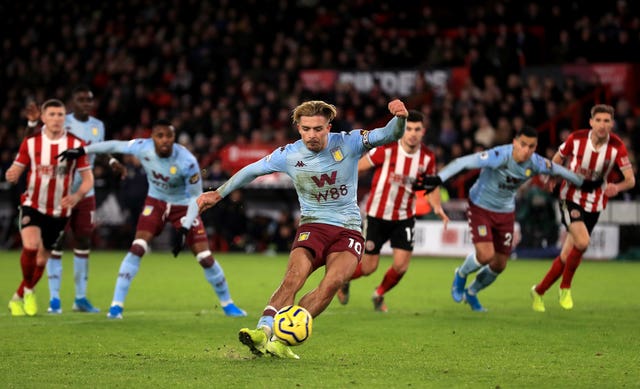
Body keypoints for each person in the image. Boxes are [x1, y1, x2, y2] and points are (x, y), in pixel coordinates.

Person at [196, 99, 409, 359]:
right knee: (293, 278)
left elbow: (389, 134)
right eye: (306, 129)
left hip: (348, 229)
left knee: (332, 283)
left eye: (318, 129)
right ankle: (263, 331)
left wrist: (400, 118)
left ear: (328, 127)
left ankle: (282, 342)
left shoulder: (350, 142)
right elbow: (251, 171)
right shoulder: (289, 154)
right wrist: (217, 194)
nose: (312, 135)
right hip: (313, 226)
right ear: (298, 127)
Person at [57, 119, 246, 319]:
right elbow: (113, 145)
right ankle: (116, 306)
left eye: (169, 136)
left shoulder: (187, 161)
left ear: (174, 138)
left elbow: (196, 199)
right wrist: (83, 151)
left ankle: (228, 304)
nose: (164, 140)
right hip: (155, 202)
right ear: (152, 137)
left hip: (183, 205)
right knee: (137, 247)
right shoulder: (142, 147)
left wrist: (184, 228)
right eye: (160, 136)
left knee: (204, 258)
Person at [420, 126, 602, 312]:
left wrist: (585, 183)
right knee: (485, 255)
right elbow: (463, 162)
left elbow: (559, 170)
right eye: (523, 144)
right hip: (480, 207)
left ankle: (472, 292)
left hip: (505, 212)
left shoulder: (536, 163)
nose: (526, 150)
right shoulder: (499, 155)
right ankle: (461, 273)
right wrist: (438, 178)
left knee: (499, 265)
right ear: (515, 142)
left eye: (531, 147)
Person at [335, 110, 449, 312]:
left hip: (404, 217)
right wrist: (339, 180)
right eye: (409, 129)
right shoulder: (387, 149)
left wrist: (437, 206)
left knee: (401, 266)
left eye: (417, 129)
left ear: (423, 132)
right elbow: (360, 166)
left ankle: (378, 294)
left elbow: (431, 186)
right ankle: (343, 279)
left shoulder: (427, 158)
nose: (413, 133)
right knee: (369, 267)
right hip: (377, 216)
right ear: (403, 130)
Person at [26, 85, 125, 314]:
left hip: (86, 193)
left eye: (89, 100)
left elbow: (98, 151)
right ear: (73, 102)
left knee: (83, 241)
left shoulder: (97, 126)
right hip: (59, 192)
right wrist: (32, 125)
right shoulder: (61, 122)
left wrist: (111, 162)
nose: (86, 104)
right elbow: (35, 142)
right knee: (56, 242)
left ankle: (80, 298)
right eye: (81, 100)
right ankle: (54, 299)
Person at [530, 104, 635, 312]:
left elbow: (630, 180)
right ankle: (565, 288)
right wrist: (552, 177)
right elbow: (557, 159)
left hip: (595, 201)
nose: (602, 125)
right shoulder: (576, 139)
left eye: (607, 121)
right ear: (591, 122)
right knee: (583, 242)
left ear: (612, 124)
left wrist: (618, 187)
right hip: (571, 195)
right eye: (599, 120)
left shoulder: (617, 147)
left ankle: (539, 291)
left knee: (566, 255)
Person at [6, 99, 94, 316]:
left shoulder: (76, 144)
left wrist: (77, 195)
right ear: (43, 118)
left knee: (42, 258)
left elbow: (88, 179)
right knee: (30, 247)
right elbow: (16, 167)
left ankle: (21, 294)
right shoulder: (31, 142)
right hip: (33, 204)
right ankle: (28, 292)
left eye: (60, 114)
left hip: (59, 211)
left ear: (65, 118)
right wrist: (12, 174)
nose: (56, 119)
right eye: (52, 114)